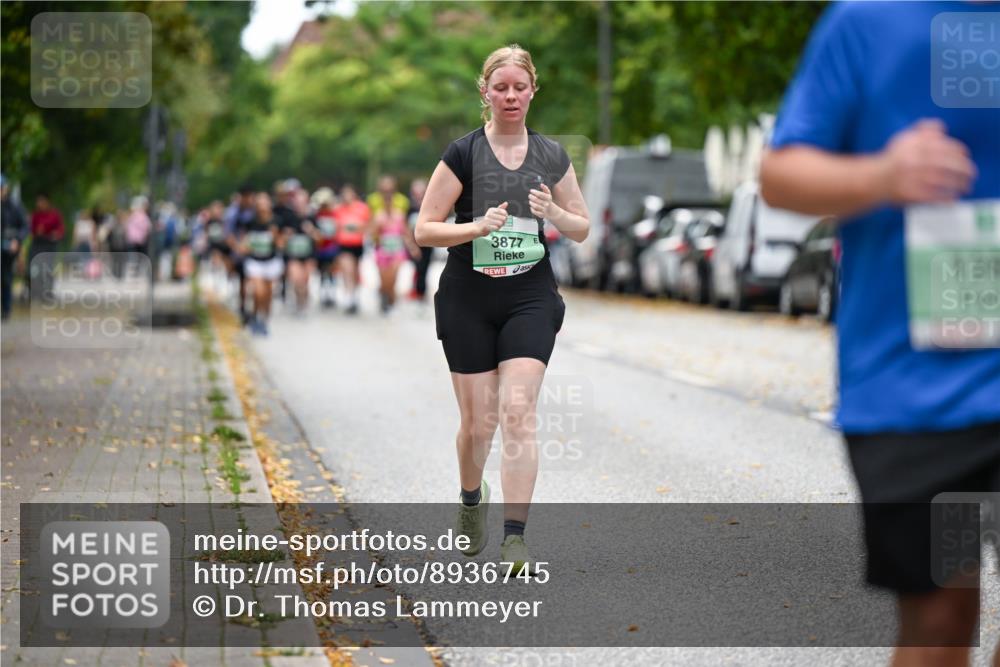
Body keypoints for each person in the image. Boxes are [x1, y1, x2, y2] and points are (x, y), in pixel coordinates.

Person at [759, 4, 1000, 666]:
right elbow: (780, 173)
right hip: (918, 395)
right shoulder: (869, 21)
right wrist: (884, 176)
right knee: (946, 613)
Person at [414, 45, 589, 573]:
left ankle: (515, 538)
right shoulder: (463, 153)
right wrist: (475, 227)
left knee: (517, 413)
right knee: (478, 424)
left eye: (520, 87)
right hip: (468, 294)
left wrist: (553, 210)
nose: (510, 96)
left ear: (533, 90)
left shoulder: (551, 154)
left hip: (529, 294)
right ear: (485, 93)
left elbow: (581, 228)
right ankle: (472, 499)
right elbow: (424, 229)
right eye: (501, 87)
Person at [368, 175, 416, 315]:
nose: (387, 193)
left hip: (397, 249)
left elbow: (405, 230)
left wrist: (412, 247)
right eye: (384, 189)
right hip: (381, 248)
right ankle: (384, 296)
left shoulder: (402, 204)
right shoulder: (373, 202)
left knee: (394, 278)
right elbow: (370, 227)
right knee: (384, 280)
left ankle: (391, 302)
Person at [240, 193, 283, 336]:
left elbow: (281, 244)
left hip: (271, 261)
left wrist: (275, 235)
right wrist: (244, 246)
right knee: (258, 291)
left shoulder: (277, 221)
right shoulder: (250, 222)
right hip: (255, 261)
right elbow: (245, 242)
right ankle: (256, 316)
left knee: (268, 293)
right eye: (260, 203)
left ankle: (264, 319)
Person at [332, 184, 370, 315]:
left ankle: (354, 294)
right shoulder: (338, 209)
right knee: (346, 269)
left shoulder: (362, 208)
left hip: (357, 244)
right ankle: (349, 296)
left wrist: (357, 227)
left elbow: (367, 225)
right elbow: (335, 227)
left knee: (355, 271)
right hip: (343, 244)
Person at [224, 185, 257, 326]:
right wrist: (238, 248)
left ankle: (252, 310)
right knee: (243, 282)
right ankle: (243, 308)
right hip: (239, 254)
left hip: (254, 253)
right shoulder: (232, 213)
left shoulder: (254, 212)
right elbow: (228, 235)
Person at [28, 193, 65, 302]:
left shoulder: (54, 214)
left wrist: (56, 234)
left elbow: (61, 229)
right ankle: (36, 291)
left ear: (47, 202)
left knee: (48, 268)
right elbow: (31, 229)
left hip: (50, 244)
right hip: (38, 243)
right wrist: (36, 232)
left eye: (41, 202)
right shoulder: (35, 215)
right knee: (35, 268)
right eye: (38, 202)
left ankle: (48, 292)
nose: (39, 204)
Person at [1, 175, 28, 320]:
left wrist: (17, 241)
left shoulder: (15, 206)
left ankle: (6, 310)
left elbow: (25, 227)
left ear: (5, 189)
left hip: (8, 248)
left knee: (6, 278)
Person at [311, 187, 340, 309]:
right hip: (320, 248)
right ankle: (323, 293)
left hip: (332, 247)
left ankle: (331, 293)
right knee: (322, 272)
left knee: (332, 271)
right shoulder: (316, 215)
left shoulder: (335, 214)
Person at [408, 178, 432, 301]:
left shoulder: (430, 206)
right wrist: (412, 246)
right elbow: (406, 228)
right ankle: (416, 290)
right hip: (414, 243)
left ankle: (421, 292)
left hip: (427, 244)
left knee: (424, 268)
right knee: (417, 267)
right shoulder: (410, 208)